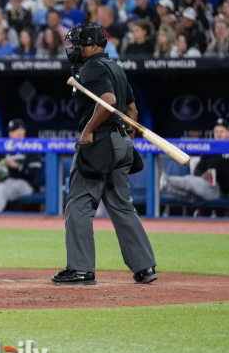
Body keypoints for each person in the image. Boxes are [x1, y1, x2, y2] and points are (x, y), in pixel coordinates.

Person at [52, 23, 157, 286]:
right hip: (120, 141)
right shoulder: (116, 67)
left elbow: (108, 101)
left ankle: (80, 269)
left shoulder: (93, 67)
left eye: (79, 44)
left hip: (99, 143)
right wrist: (126, 139)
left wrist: (89, 130)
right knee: (122, 206)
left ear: (94, 47)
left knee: (79, 202)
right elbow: (131, 111)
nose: (74, 49)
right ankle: (144, 267)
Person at [0, 119, 42, 213]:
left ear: (21, 131)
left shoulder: (31, 147)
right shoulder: (7, 148)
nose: (10, 134)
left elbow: (34, 172)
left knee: (2, 191)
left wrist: (17, 166)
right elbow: (3, 171)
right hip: (7, 182)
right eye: (10, 131)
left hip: (25, 184)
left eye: (13, 131)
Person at [160, 118, 229, 202]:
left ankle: (165, 179)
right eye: (216, 132)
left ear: (228, 133)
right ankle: (163, 184)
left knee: (189, 181)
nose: (218, 134)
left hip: (221, 190)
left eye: (221, 132)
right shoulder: (209, 150)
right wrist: (203, 175)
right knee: (185, 192)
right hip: (208, 186)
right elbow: (198, 170)